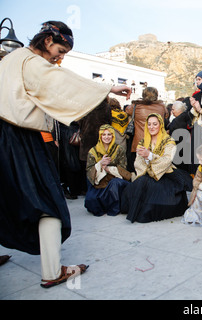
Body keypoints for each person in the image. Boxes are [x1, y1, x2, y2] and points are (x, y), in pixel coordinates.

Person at [0, 21, 131, 288]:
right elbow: (62, 83)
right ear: (47, 41)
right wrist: (108, 88)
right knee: (48, 201)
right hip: (19, 137)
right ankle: (51, 271)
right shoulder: (32, 61)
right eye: (60, 50)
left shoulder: (9, 60)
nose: (59, 58)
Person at [121, 113, 193, 223]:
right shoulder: (143, 142)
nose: (151, 127)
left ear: (160, 125)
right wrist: (145, 158)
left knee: (150, 192)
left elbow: (167, 160)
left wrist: (149, 155)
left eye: (155, 124)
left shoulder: (169, 141)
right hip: (147, 175)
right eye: (149, 124)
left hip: (166, 175)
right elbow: (138, 163)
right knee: (140, 184)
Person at [85, 124, 131, 216]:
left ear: (113, 136)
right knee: (91, 201)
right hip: (99, 183)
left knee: (114, 184)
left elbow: (124, 170)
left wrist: (108, 169)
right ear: (100, 136)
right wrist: (100, 164)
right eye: (104, 134)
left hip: (114, 182)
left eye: (109, 134)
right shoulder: (93, 151)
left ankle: (113, 207)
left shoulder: (119, 149)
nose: (106, 137)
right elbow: (89, 171)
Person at [125, 87, 167, 172]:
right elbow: (166, 115)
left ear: (143, 95)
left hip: (139, 142)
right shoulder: (162, 107)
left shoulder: (136, 106)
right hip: (156, 142)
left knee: (138, 168)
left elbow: (127, 110)